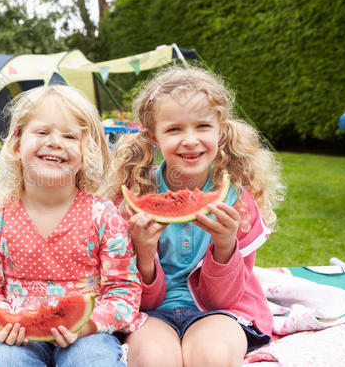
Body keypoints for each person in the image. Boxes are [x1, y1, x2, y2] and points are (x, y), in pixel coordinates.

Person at [104, 66, 285, 367]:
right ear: (154, 138)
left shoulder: (237, 200)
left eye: (202, 126)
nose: (190, 140)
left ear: (221, 131)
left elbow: (223, 300)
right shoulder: (133, 198)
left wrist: (225, 245)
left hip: (222, 312)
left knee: (210, 357)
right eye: (174, 129)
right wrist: (144, 255)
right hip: (150, 312)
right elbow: (137, 297)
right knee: (153, 360)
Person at [0, 85, 147, 367]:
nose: (55, 142)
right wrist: (0, 325)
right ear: (16, 144)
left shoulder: (103, 216)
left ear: (86, 153)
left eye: (70, 136)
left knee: (94, 361)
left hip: (87, 333)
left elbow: (123, 289)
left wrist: (91, 324)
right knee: (3, 361)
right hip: (15, 335)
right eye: (42, 132)